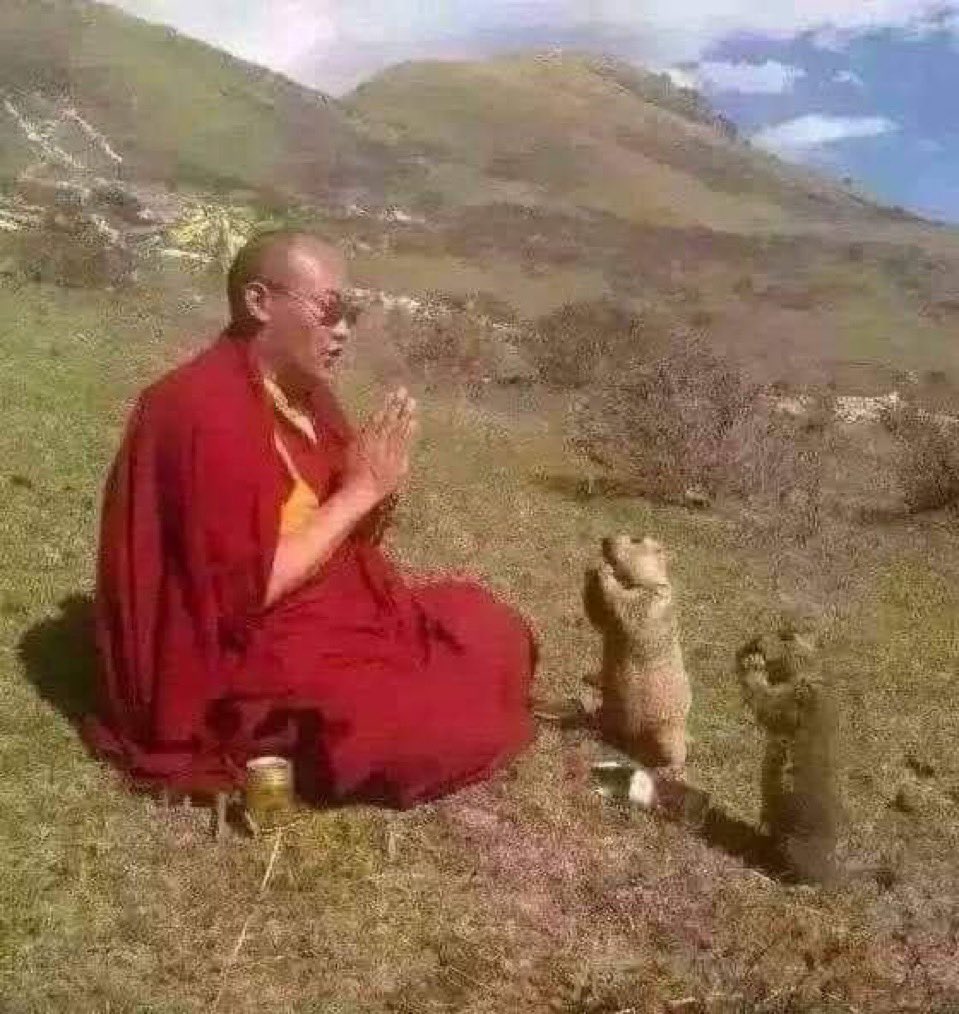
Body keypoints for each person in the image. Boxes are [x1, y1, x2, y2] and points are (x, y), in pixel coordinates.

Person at [84, 229, 538, 808]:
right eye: (330, 310)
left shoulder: (305, 395)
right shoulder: (200, 412)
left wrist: (376, 486)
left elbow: (346, 531)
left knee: (487, 623)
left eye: (351, 314)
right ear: (258, 302)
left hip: (331, 608)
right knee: (435, 727)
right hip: (247, 645)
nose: (343, 330)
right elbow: (242, 595)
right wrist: (358, 493)